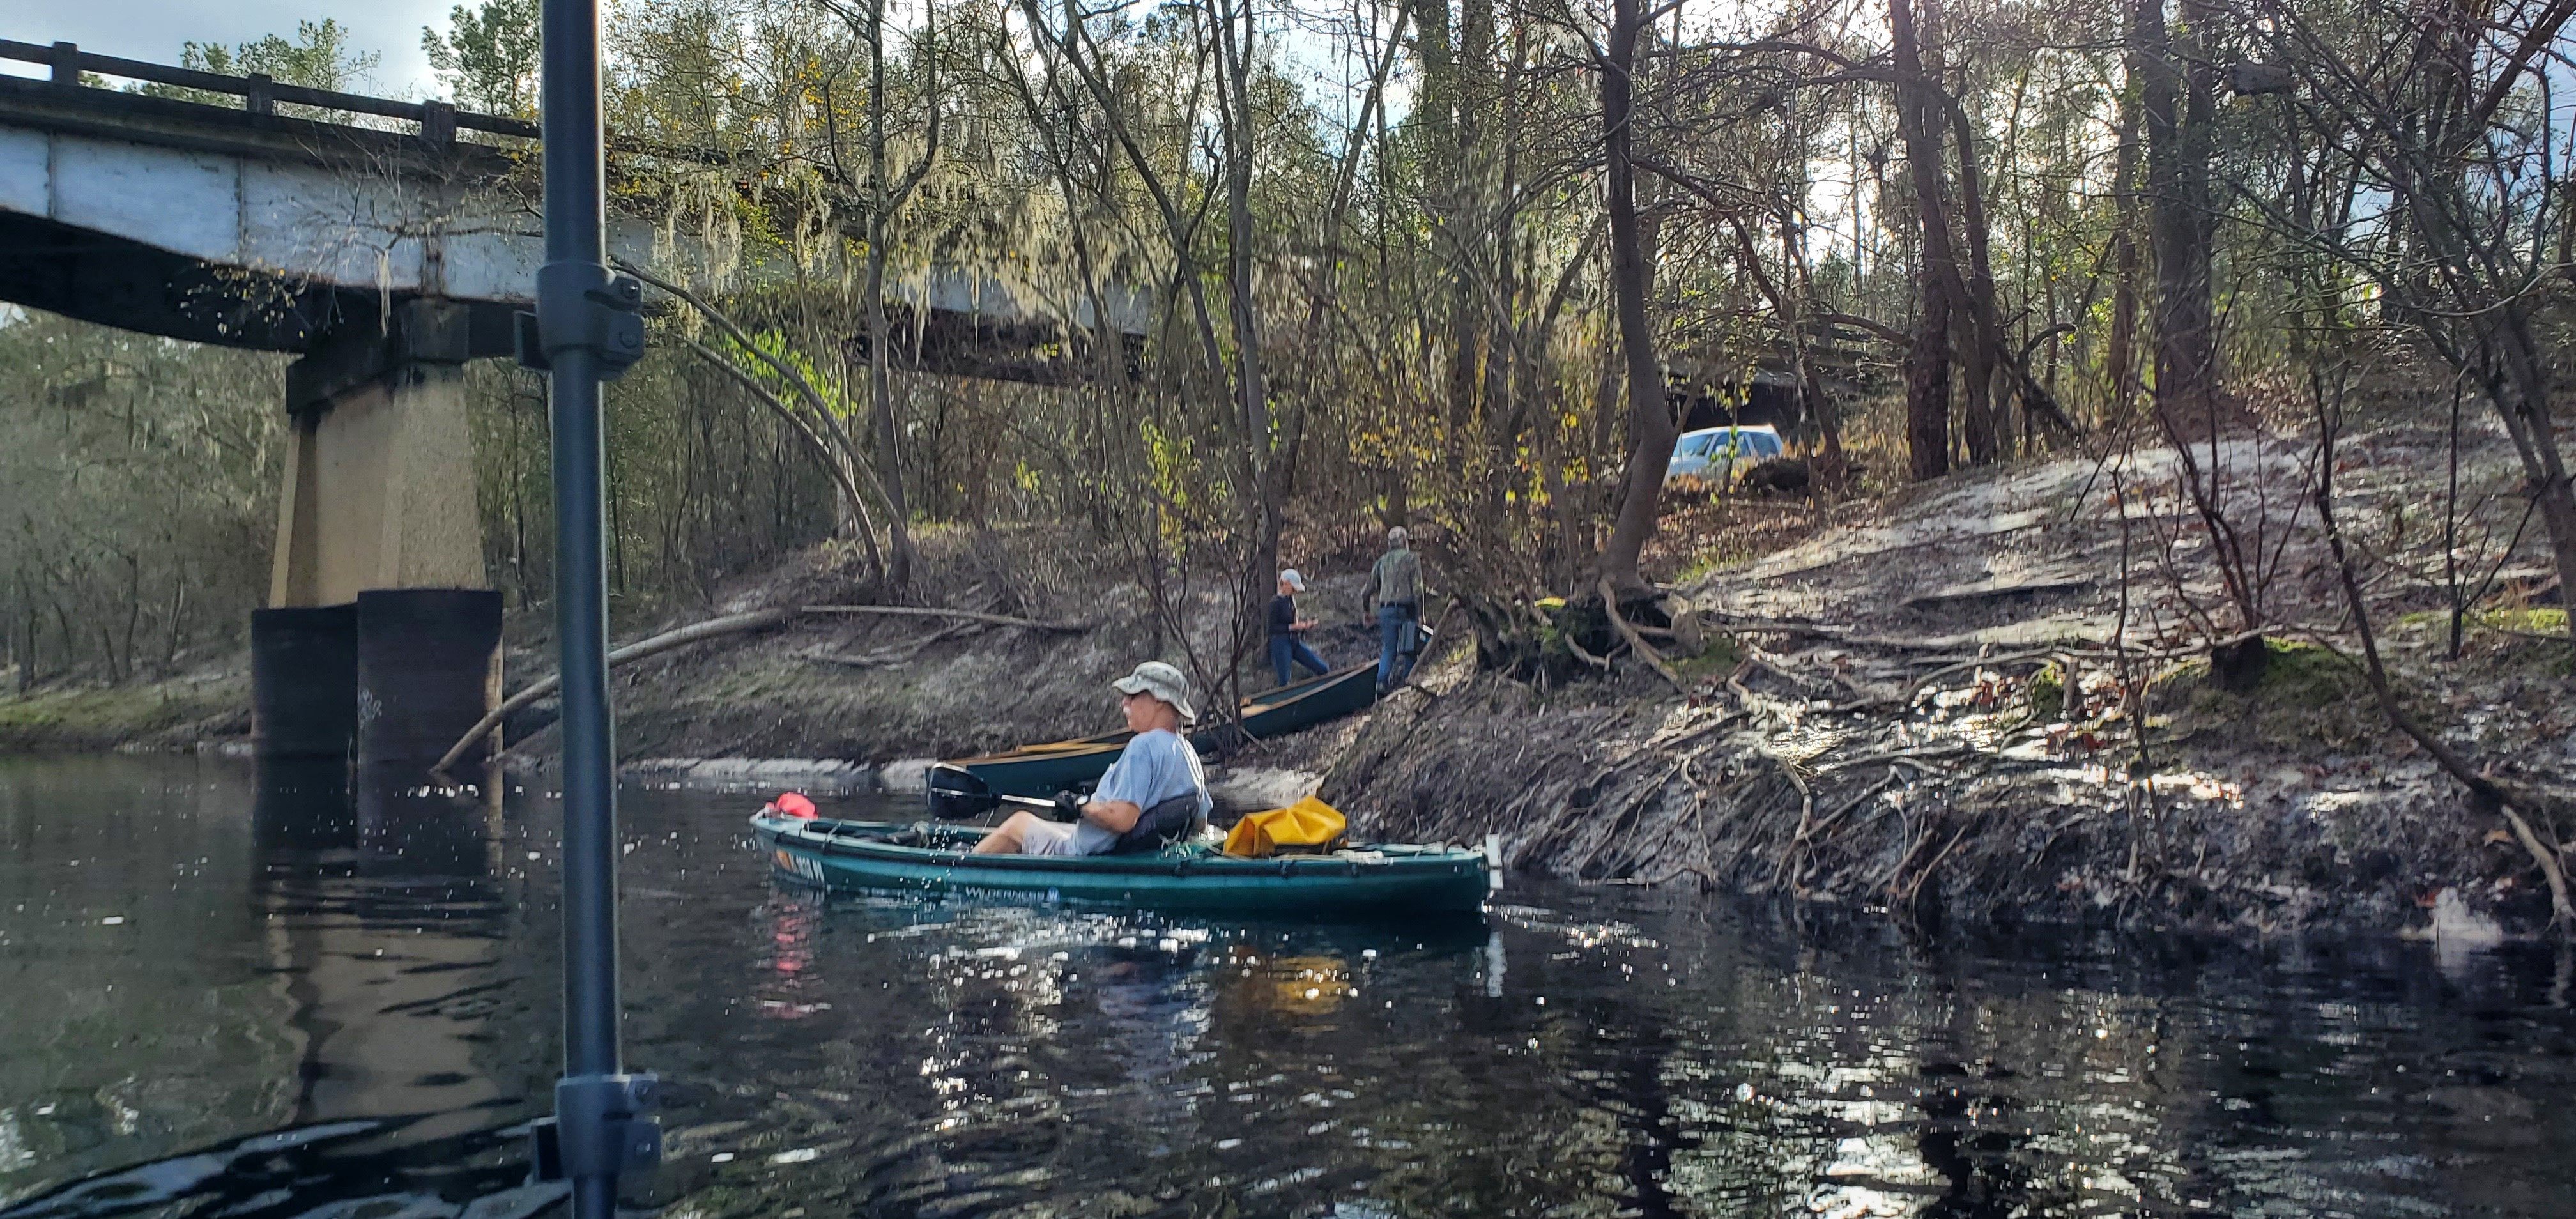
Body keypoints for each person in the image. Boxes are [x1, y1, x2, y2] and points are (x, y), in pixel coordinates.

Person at [974, 661, 1213, 855]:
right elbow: (1200, 824)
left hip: (1088, 853)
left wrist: (1080, 804)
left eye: (1133, 695)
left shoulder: (1143, 746)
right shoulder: (1187, 752)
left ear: (1159, 700)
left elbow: (1123, 820)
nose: (1125, 702)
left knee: (1018, 823)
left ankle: (961, 868)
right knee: (1053, 826)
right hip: (1132, 850)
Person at [1363, 526, 1425, 693]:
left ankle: (1381, 682)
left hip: (1386, 610)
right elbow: (1418, 591)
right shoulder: (1412, 559)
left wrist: (1367, 611)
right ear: (1404, 541)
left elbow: (1366, 591)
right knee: (1410, 648)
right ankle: (1407, 682)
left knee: (1389, 649)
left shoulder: (1381, 562)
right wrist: (1421, 615)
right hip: (1407, 609)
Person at [1268, 569, 1328, 687]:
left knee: (1322, 668)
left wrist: (1305, 625)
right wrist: (1292, 627)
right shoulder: (1275, 603)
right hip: (1281, 643)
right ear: (1286, 584)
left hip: (1294, 642)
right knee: (1284, 680)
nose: (1295, 591)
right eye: (1293, 587)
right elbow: (1271, 628)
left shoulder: (1290, 600)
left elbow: (1293, 622)